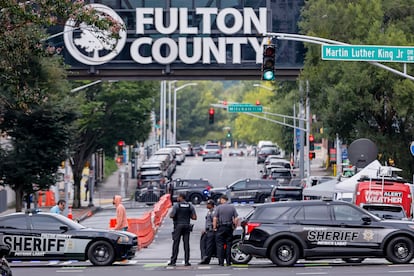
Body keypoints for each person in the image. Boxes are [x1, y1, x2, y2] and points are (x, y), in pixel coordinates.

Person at [168, 193, 197, 266]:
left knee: (176, 244)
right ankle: (187, 261)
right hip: (187, 225)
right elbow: (194, 217)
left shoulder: (177, 205)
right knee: (186, 244)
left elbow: (172, 215)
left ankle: (173, 261)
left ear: (181, 198)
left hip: (178, 226)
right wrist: (188, 215)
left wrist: (172, 215)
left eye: (178, 197)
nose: (177, 198)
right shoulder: (190, 206)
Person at [213, 195, 239, 266]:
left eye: (220, 200)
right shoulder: (232, 207)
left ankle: (221, 262)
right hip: (229, 227)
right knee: (228, 245)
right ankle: (228, 261)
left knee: (220, 245)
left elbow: (215, 218)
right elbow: (236, 218)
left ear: (222, 199)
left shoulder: (218, 208)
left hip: (221, 227)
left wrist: (214, 227)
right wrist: (235, 226)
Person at [199, 199, 216, 264]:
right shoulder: (209, 212)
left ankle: (206, 259)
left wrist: (211, 228)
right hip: (207, 230)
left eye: (208, 204)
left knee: (209, 245)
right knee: (203, 244)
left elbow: (214, 221)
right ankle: (204, 257)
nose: (206, 205)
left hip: (211, 231)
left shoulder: (213, 212)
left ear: (211, 205)